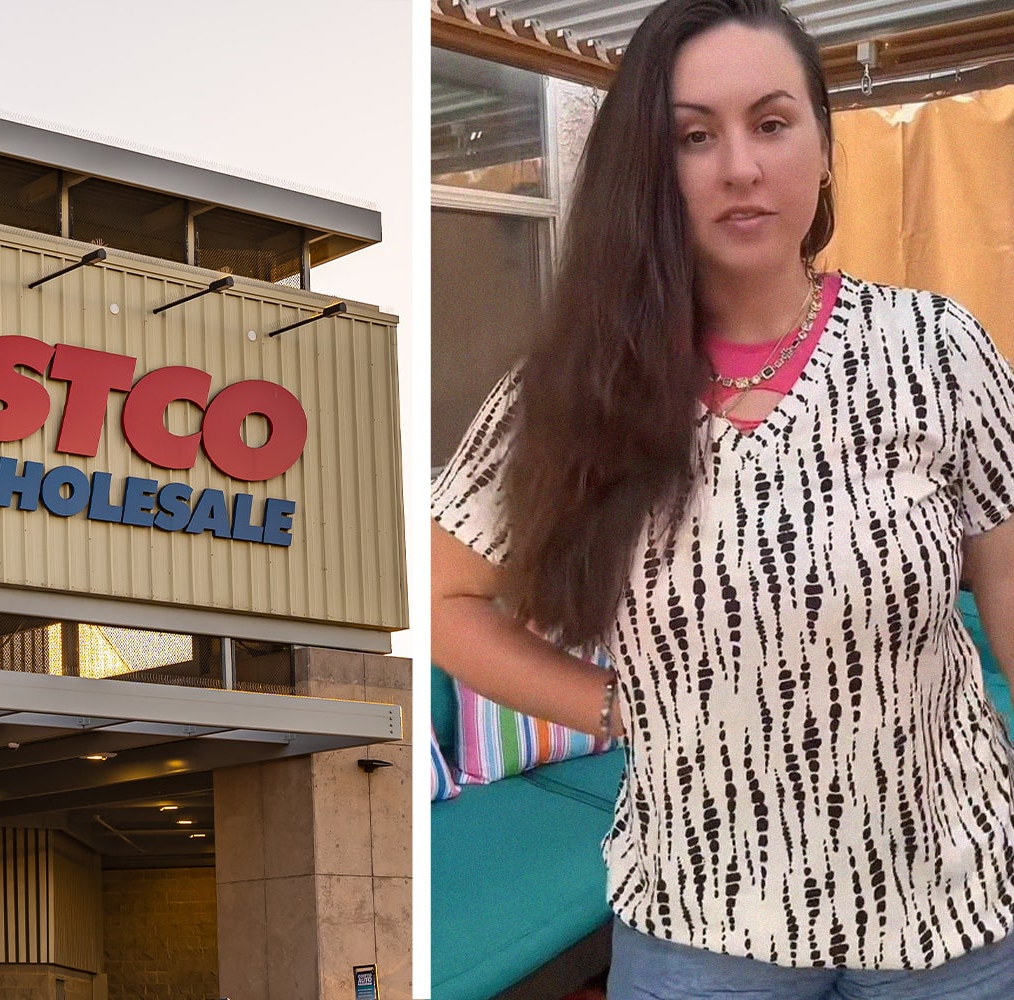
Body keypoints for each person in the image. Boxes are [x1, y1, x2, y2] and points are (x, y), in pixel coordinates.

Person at [429, 0, 1014, 993]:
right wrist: (610, 704)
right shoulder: (573, 388)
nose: (737, 166)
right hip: (702, 916)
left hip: (946, 906)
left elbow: (1003, 584)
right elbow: (441, 597)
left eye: (770, 122)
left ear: (822, 148)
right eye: (692, 137)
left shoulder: (932, 346)